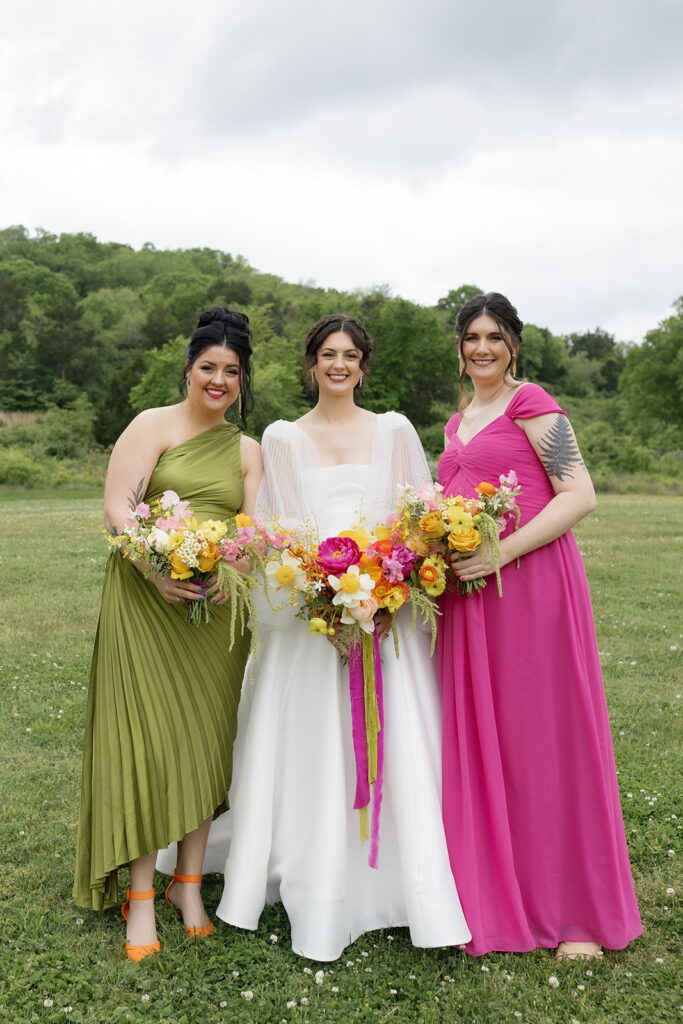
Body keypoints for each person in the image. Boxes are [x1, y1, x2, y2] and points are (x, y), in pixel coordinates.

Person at [211, 313, 470, 961]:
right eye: (327, 354)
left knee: (397, 738)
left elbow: (418, 519)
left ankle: (400, 879)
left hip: (387, 611)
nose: (338, 365)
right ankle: (310, 863)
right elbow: (276, 533)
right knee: (310, 737)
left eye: (349, 355)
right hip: (309, 618)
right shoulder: (281, 438)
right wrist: (319, 599)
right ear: (309, 364)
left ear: (363, 365)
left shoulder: (394, 430)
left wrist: (382, 593)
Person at [437, 292, 642, 960]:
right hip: (470, 601)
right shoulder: (456, 420)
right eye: (471, 337)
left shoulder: (533, 403)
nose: (482, 348)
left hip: (530, 589)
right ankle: (488, 897)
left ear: (514, 345)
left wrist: (502, 549)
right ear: (459, 347)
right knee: (483, 744)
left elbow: (577, 493)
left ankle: (574, 915)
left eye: (494, 337)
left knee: (544, 741)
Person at [73, 307, 263, 961]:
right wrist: (155, 569)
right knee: (144, 742)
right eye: (208, 367)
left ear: (242, 381)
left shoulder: (248, 451)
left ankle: (187, 884)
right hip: (142, 598)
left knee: (204, 743)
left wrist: (230, 562)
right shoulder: (150, 425)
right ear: (188, 369)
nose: (218, 380)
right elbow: (117, 507)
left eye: (231, 371)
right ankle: (140, 897)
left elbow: (250, 530)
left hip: (211, 614)